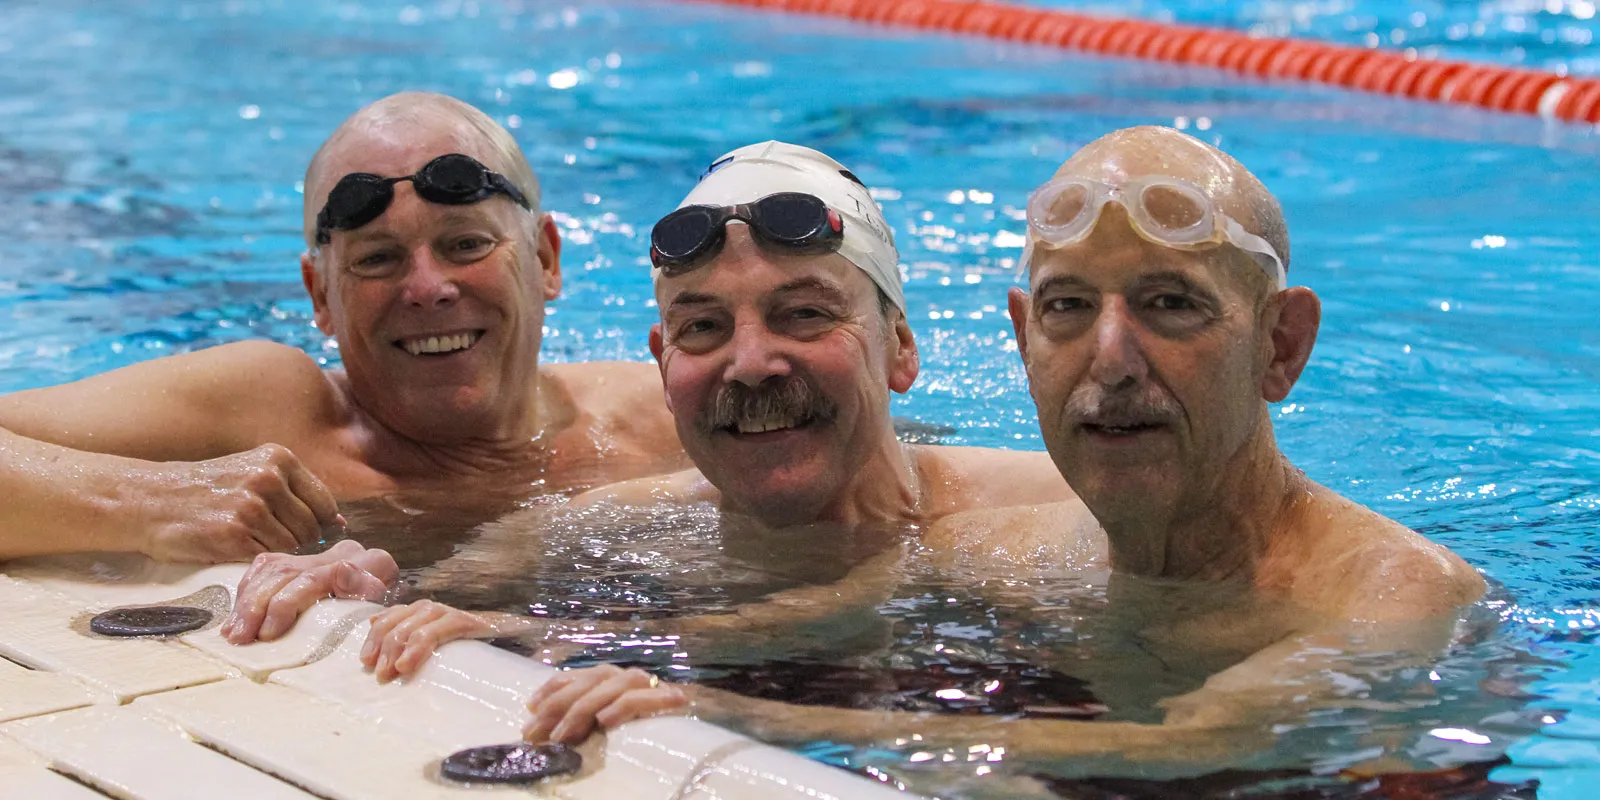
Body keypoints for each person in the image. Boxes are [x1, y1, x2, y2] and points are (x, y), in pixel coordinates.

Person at [466, 127, 1489, 761]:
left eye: (1172, 305)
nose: (1112, 358)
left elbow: (1183, 743)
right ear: (1019, 336)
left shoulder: (1391, 591)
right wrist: (557, 646)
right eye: (1067, 308)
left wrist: (731, 712)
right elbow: (823, 604)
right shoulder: (1032, 545)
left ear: (1281, 345)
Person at [221, 141, 1078, 676]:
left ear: (901, 348)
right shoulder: (598, 528)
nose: (750, 363)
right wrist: (345, 578)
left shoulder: (1051, 516)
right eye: (703, 328)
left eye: (804, 313)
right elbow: (418, 596)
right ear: (664, 367)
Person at [0, 92, 687, 564]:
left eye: (466, 244)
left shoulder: (665, 422)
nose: (426, 289)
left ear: (545, 260)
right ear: (318, 296)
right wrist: (147, 502)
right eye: (378, 259)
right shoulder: (270, 412)